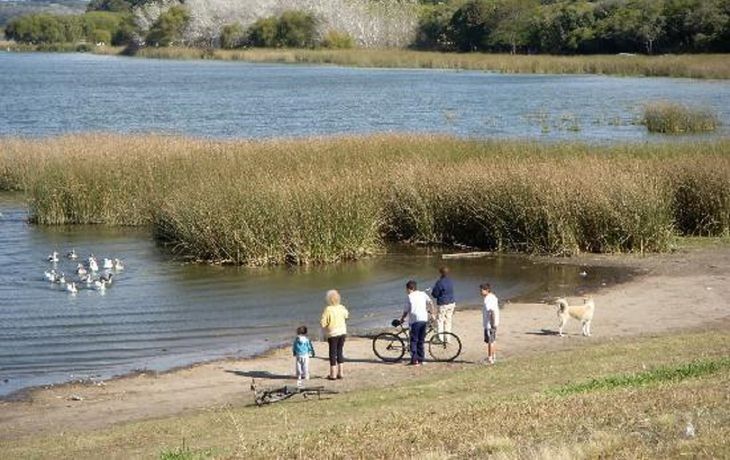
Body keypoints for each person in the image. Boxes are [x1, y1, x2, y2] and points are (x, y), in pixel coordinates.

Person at [400, 280, 434, 366]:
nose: (406, 291)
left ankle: (414, 360)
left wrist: (402, 319)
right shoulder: (423, 294)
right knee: (421, 340)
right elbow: (430, 302)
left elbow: (406, 310)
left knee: (414, 340)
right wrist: (432, 313)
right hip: (424, 319)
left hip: (415, 321)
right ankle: (421, 359)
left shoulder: (409, 296)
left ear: (409, 289)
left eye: (406, 289)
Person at [320, 289, 349, 380]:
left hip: (332, 334)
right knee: (340, 351)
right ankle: (341, 372)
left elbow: (323, 323)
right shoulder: (342, 307)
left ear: (329, 299)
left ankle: (333, 374)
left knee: (332, 353)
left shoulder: (328, 309)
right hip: (342, 332)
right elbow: (347, 315)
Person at [431, 266, 456, 341]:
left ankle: (440, 338)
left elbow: (435, 294)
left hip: (443, 303)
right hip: (451, 302)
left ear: (441, 273)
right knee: (448, 320)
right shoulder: (451, 281)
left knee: (440, 320)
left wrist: (432, 291)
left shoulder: (440, 282)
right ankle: (448, 338)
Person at [480, 283, 500, 364]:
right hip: (494, 322)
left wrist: (492, 324)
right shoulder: (493, 297)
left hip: (490, 324)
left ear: (487, 290)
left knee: (490, 341)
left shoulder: (487, 299)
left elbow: (491, 311)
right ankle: (493, 356)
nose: (480, 292)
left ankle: (490, 358)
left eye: (482, 290)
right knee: (493, 340)